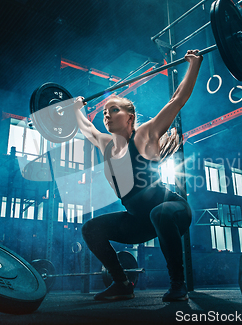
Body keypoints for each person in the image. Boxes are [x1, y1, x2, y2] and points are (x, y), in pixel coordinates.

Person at [73, 50, 202, 302]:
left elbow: (178, 99)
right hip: (139, 221)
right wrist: (78, 107)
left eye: (114, 110)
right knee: (91, 228)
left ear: (130, 117)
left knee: (160, 213)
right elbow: (87, 128)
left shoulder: (144, 135)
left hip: (172, 210)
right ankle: (121, 284)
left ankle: (178, 284)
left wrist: (194, 64)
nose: (107, 115)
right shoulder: (106, 144)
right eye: (104, 113)